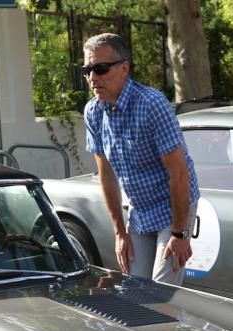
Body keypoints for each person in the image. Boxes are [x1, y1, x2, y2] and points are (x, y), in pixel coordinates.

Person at [82, 32, 199, 286]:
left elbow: (179, 173)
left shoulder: (152, 104)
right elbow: (107, 176)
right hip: (139, 210)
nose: (93, 78)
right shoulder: (92, 112)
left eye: (100, 68)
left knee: (160, 294)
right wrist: (119, 232)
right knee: (135, 291)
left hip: (172, 208)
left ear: (124, 68)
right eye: (88, 70)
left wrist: (180, 233)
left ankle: (168, 324)